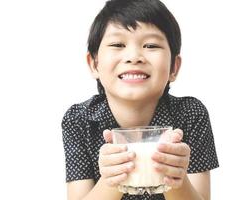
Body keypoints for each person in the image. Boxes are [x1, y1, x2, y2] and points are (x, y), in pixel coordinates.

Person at [61, 0, 219, 199]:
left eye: (150, 45)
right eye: (118, 44)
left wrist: (175, 177)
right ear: (94, 64)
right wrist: (112, 179)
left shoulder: (190, 114)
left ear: (174, 68)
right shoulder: (79, 119)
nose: (134, 56)